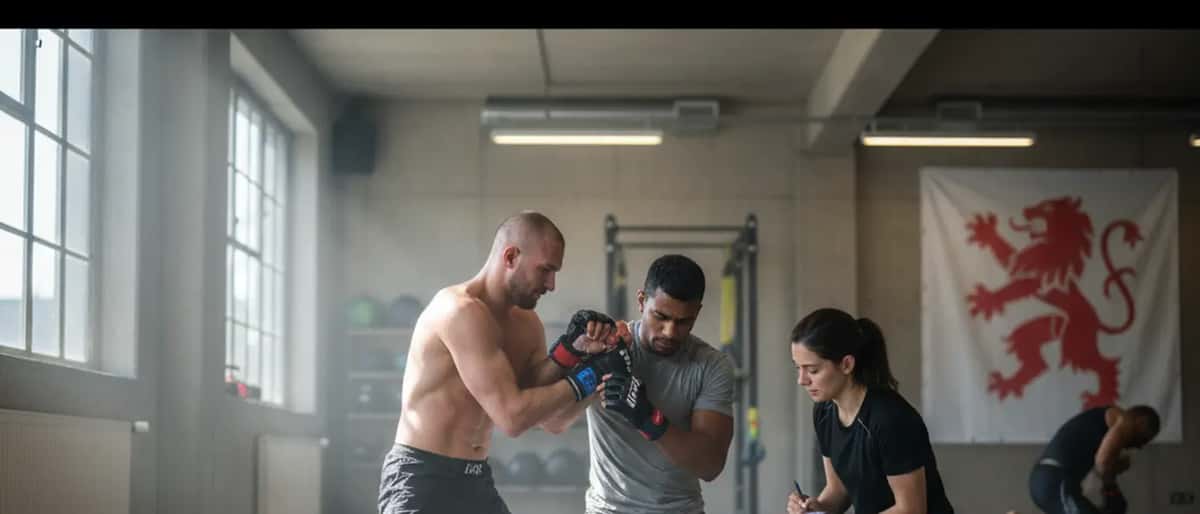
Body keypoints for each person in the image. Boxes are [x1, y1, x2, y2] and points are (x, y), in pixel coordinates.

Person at [377, 211, 631, 514]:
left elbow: (552, 421)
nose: (552, 285)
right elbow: (512, 416)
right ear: (510, 256)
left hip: (475, 481)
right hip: (423, 479)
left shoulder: (528, 323)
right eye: (545, 270)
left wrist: (580, 356)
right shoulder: (459, 312)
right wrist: (590, 375)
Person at [541, 254, 736, 514]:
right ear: (642, 301)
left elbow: (710, 465)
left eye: (682, 322)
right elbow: (553, 422)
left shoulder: (711, 366)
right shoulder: (608, 347)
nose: (669, 331)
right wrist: (588, 364)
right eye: (661, 316)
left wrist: (647, 417)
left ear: (697, 313)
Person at [787, 308, 955, 514]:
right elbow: (838, 489)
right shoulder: (824, 412)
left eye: (813, 370)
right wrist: (815, 508)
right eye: (798, 368)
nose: (802, 380)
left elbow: (911, 509)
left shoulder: (890, 419)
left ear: (847, 364)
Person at [1028, 404, 1160, 514]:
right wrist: (1113, 469)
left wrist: (1112, 492)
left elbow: (1104, 470)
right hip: (1054, 481)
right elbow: (1102, 463)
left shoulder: (1110, 429)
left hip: (1052, 482)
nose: (1140, 446)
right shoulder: (1123, 421)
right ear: (1140, 421)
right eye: (1144, 438)